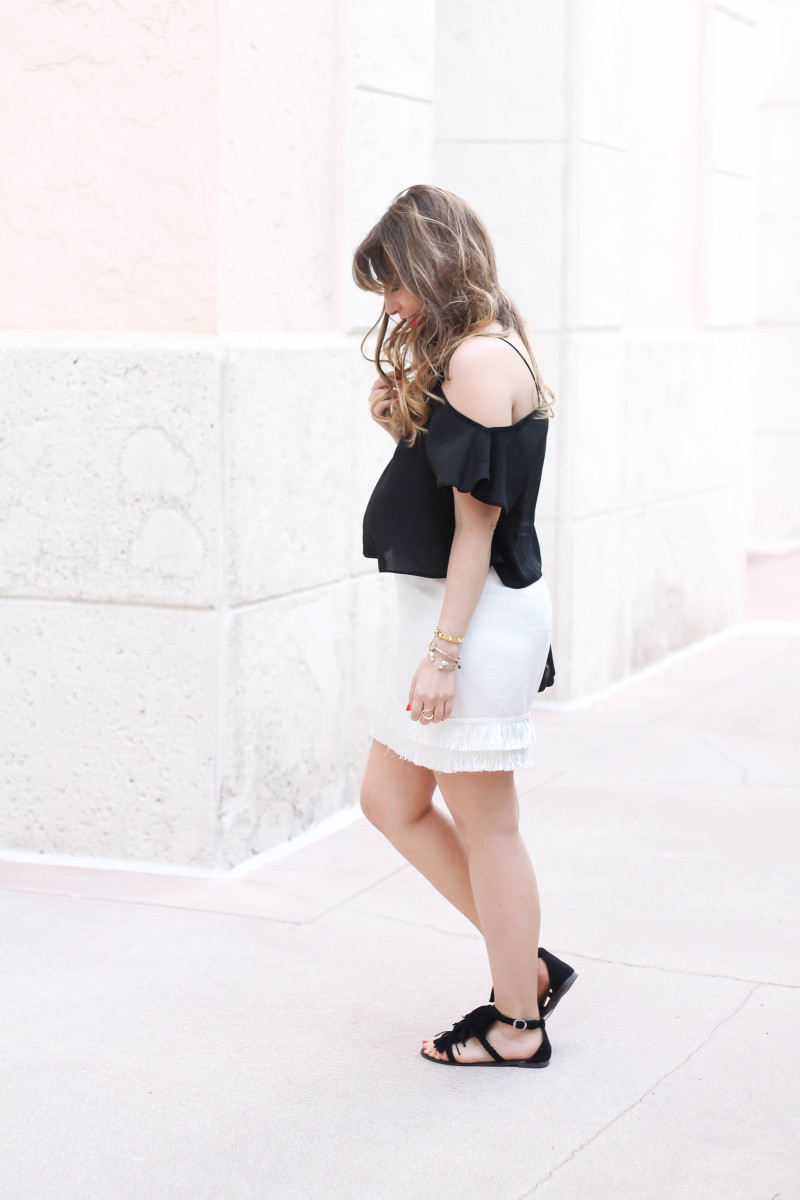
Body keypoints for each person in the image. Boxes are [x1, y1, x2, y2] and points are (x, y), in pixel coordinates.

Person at [355, 185, 577, 1068]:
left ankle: (517, 1024)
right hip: (453, 615)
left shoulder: (481, 360)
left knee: (487, 824)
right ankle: (525, 965)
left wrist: (444, 656)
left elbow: (478, 527)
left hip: (475, 624)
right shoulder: (469, 351)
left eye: (394, 284)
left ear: (430, 267)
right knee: (391, 801)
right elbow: (453, 493)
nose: (389, 306)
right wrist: (399, 422)